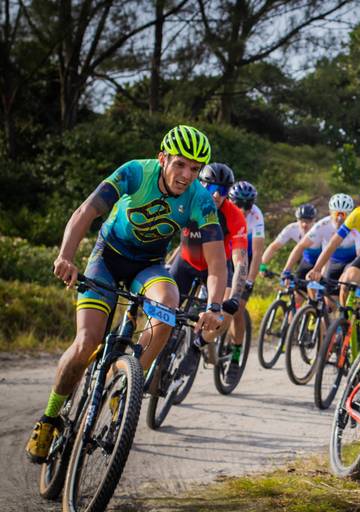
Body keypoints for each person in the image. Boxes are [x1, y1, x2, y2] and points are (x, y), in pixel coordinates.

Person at [26, 125, 227, 462]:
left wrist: (215, 306)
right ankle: (49, 417)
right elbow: (86, 211)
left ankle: (127, 386)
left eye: (195, 169)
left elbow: (217, 262)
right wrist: (66, 256)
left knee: (169, 306)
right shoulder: (135, 172)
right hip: (107, 258)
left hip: (148, 267)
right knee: (86, 342)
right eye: (180, 164)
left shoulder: (201, 200)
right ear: (162, 159)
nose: (186, 175)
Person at [169, 163, 248, 378]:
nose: (216, 194)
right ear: (200, 184)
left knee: (225, 314)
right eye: (211, 187)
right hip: (186, 262)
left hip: (217, 267)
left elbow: (240, 260)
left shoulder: (234, 215)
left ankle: (196, 347)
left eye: (223, 190)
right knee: (162, 307)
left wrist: (235, 297)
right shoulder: (186, 199)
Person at [306, 184, 360, 336]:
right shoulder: (356, 215)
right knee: (346, 281)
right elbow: (333, 243)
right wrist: (317, 268)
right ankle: (344, 321)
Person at [282, 194, 360, 303]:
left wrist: (348, 272)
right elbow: (301, 246)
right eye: (337, 213)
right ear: (330, 212)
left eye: (344, 214)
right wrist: (287, 270)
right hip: (333, 261)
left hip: (351, 262)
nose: (340, 218)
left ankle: (348, 310)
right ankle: (314, 307)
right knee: (320, 292)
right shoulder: (323, 224)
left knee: (345, 285)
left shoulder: (356, 227)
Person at [228, 180, 265, 374]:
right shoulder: (223, 208)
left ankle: (236, 353)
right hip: (226, 253)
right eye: (238, 204)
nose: (243, 209)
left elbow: (257, 253)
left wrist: (250, 280)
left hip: (246, 257)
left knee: (238, 307)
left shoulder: (256, 215)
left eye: (248, 205)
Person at [260, 203, 317, 279]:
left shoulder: (319, 229)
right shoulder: (292, 228)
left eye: (308, 221)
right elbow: (274, 246)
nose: (304, 224)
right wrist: (262, 266)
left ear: (314, 220)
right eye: (302, 220)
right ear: (297, 220)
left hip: (326, 259)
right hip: (308, 259)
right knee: (295, 282)